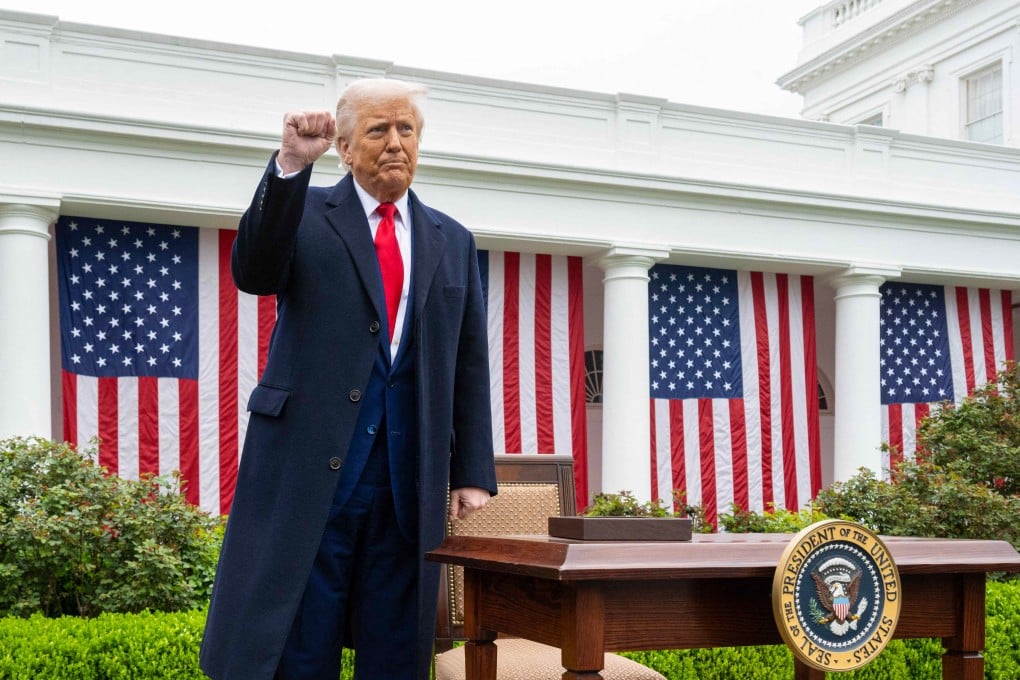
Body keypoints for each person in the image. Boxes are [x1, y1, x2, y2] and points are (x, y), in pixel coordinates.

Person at [200, 78, 497, 680]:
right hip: (310, 469)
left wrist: (471, 471)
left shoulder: (453, 238)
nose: (395, 143)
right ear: (343, 145)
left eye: (406, 129)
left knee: (395, 642)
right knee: (301, 640)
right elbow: (253, 271)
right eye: (378, 130)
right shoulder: (303, 210)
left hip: (407, 477)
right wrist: (288, 165)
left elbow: (469, 360)